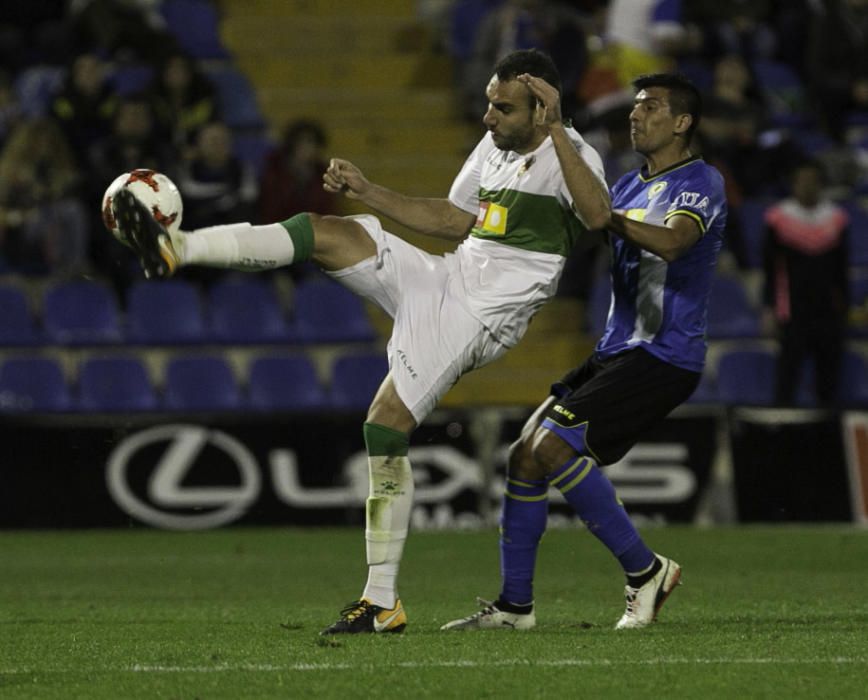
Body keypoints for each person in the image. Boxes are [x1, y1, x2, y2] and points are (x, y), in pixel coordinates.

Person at [108, 49, 611, 634]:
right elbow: (454, 219)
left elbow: (599, 218)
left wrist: (556, 135)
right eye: (486, 105)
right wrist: (369, 192)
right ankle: (182, 249)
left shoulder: (576, 156)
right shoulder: (495, 147)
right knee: (329, 231)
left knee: (386, 423)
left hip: (484, 311)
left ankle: (380, 602)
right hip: (447, 274)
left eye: (503, 108)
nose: (488, 118)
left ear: (543, 106)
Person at [441, 72, 727, 631]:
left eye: (650, 108)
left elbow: (674, 243)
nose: (635, 115)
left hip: (664, 354)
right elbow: (579, 220)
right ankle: (514, 608)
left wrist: (606, 217)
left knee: (550, 450)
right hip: (615, 350)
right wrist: (554, 140)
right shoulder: (624, 186)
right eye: (635, 107)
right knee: (524, 456)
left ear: (683, 122)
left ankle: (646, 572)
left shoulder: (700, 181)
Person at [761, 160, 849, 406]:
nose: (808, 187)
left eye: (814, 181)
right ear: (793, 184)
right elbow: (770, 270)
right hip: (792, 309)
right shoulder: (778, 219)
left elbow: (841, 270)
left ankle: (827, 433)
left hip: (827, 310)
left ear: (821, 184)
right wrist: (769, 307)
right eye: (803, 181)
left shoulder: (836, 219)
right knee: (787, 373)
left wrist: (844, 305)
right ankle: (783, 430)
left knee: (829, 376)